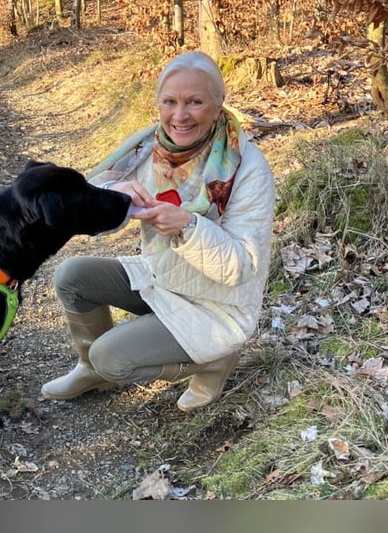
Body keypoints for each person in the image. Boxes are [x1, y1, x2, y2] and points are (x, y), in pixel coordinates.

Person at [41, 50, 276, 411]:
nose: (179, 116)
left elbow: (243, 265)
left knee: (112, 356)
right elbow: (87, 204)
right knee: (71, 276)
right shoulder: (147, 146)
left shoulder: (247, 167)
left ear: (218, 104)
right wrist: (113, 195)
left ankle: (214, 359)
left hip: (217, 306)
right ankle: (90, 370)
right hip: (163, 276)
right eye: (170, 102)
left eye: (195, 102)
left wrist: (189, 226)